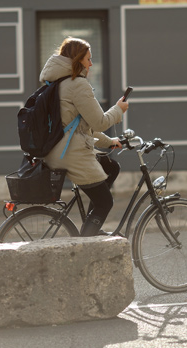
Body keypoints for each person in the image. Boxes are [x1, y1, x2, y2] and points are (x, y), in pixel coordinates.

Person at [40, 37, 129, 236]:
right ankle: (87, 242)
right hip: (70, 153)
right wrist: (119, 109)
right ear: (78, 60)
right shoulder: (77, 84)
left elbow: (81, 127)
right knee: (105, 201)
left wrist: (110, 142)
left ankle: (92, 227)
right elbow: (100, 122)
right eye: (88, 59)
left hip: (59, 149)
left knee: (111, 167)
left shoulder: (56, 83)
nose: (91, 64)